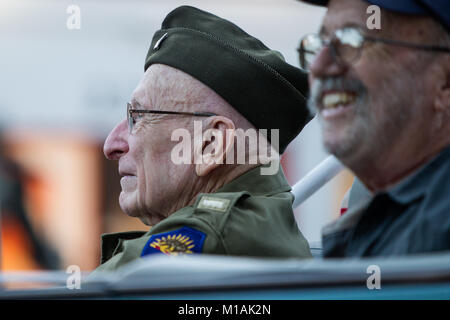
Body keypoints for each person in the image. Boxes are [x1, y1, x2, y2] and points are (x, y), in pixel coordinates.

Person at [92, 6, 312, 274]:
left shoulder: (206, 239)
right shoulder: (253, 225)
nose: (112, 145)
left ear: (211, 144)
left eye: (138, 117)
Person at [298, 0, 450, 257]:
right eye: (320, 43)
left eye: (353, 40)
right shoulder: (388, 214)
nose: (318, 67)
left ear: (445, 81)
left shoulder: (437, 229)